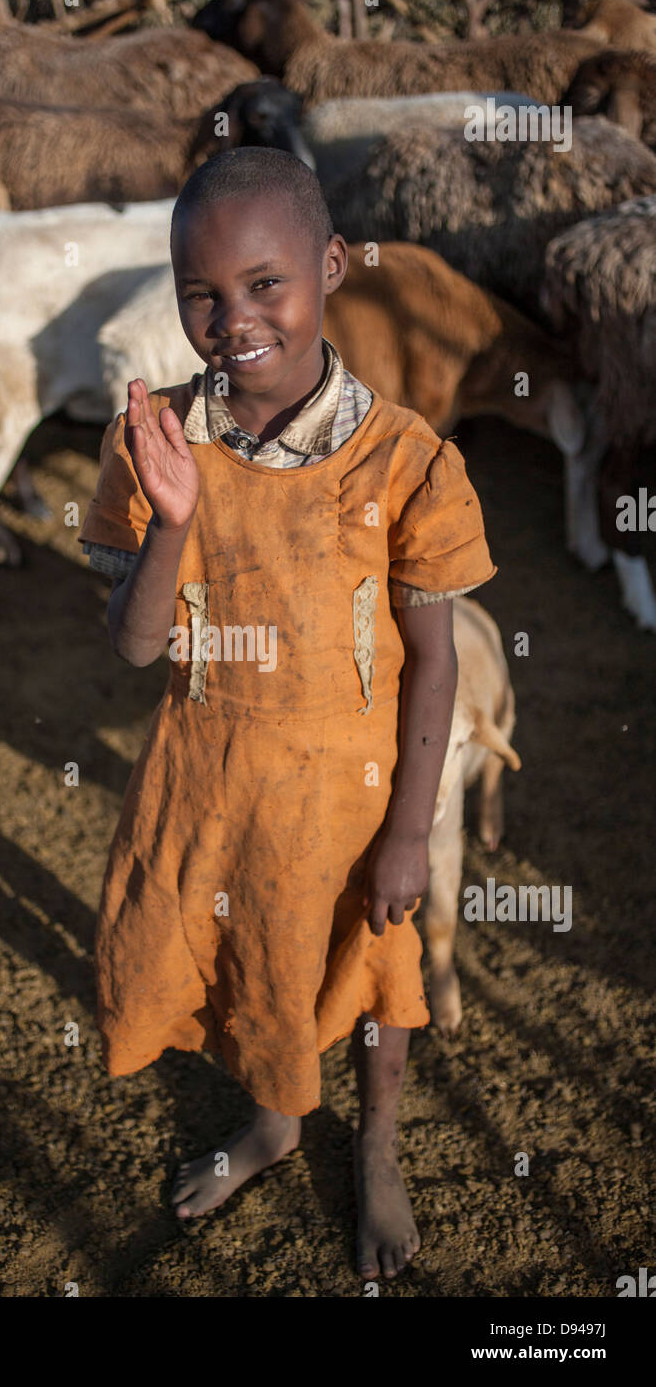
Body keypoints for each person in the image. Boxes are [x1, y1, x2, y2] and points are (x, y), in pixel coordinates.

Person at [79, 148, 496, 1280]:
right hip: (208, 789)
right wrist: (170, 519)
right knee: (252, 965)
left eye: (266, 283)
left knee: (368, 974)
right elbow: (133, 644)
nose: (232, 319)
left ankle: (374, 1150)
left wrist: (410, 828)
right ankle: (271, 1124)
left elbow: (433, 662)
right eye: (201, 294)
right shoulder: (157, 442)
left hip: (354, 803)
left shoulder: (407, 460)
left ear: (330, 264)